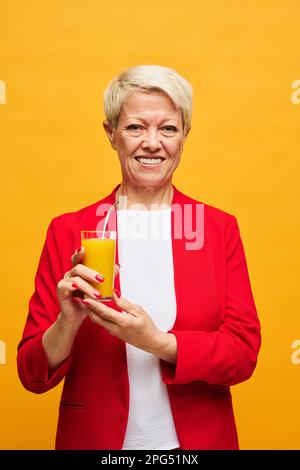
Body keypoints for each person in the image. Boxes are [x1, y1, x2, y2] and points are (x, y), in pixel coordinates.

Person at [17, 65, 261, 450]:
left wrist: (156, 342)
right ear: (111, 134)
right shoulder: (69, 230)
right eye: (135, 128)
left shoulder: (216, 228)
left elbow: (242, 355)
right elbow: (32, 376)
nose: (152, 143)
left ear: (185, 137)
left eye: (168, 128)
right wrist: (67, 322)